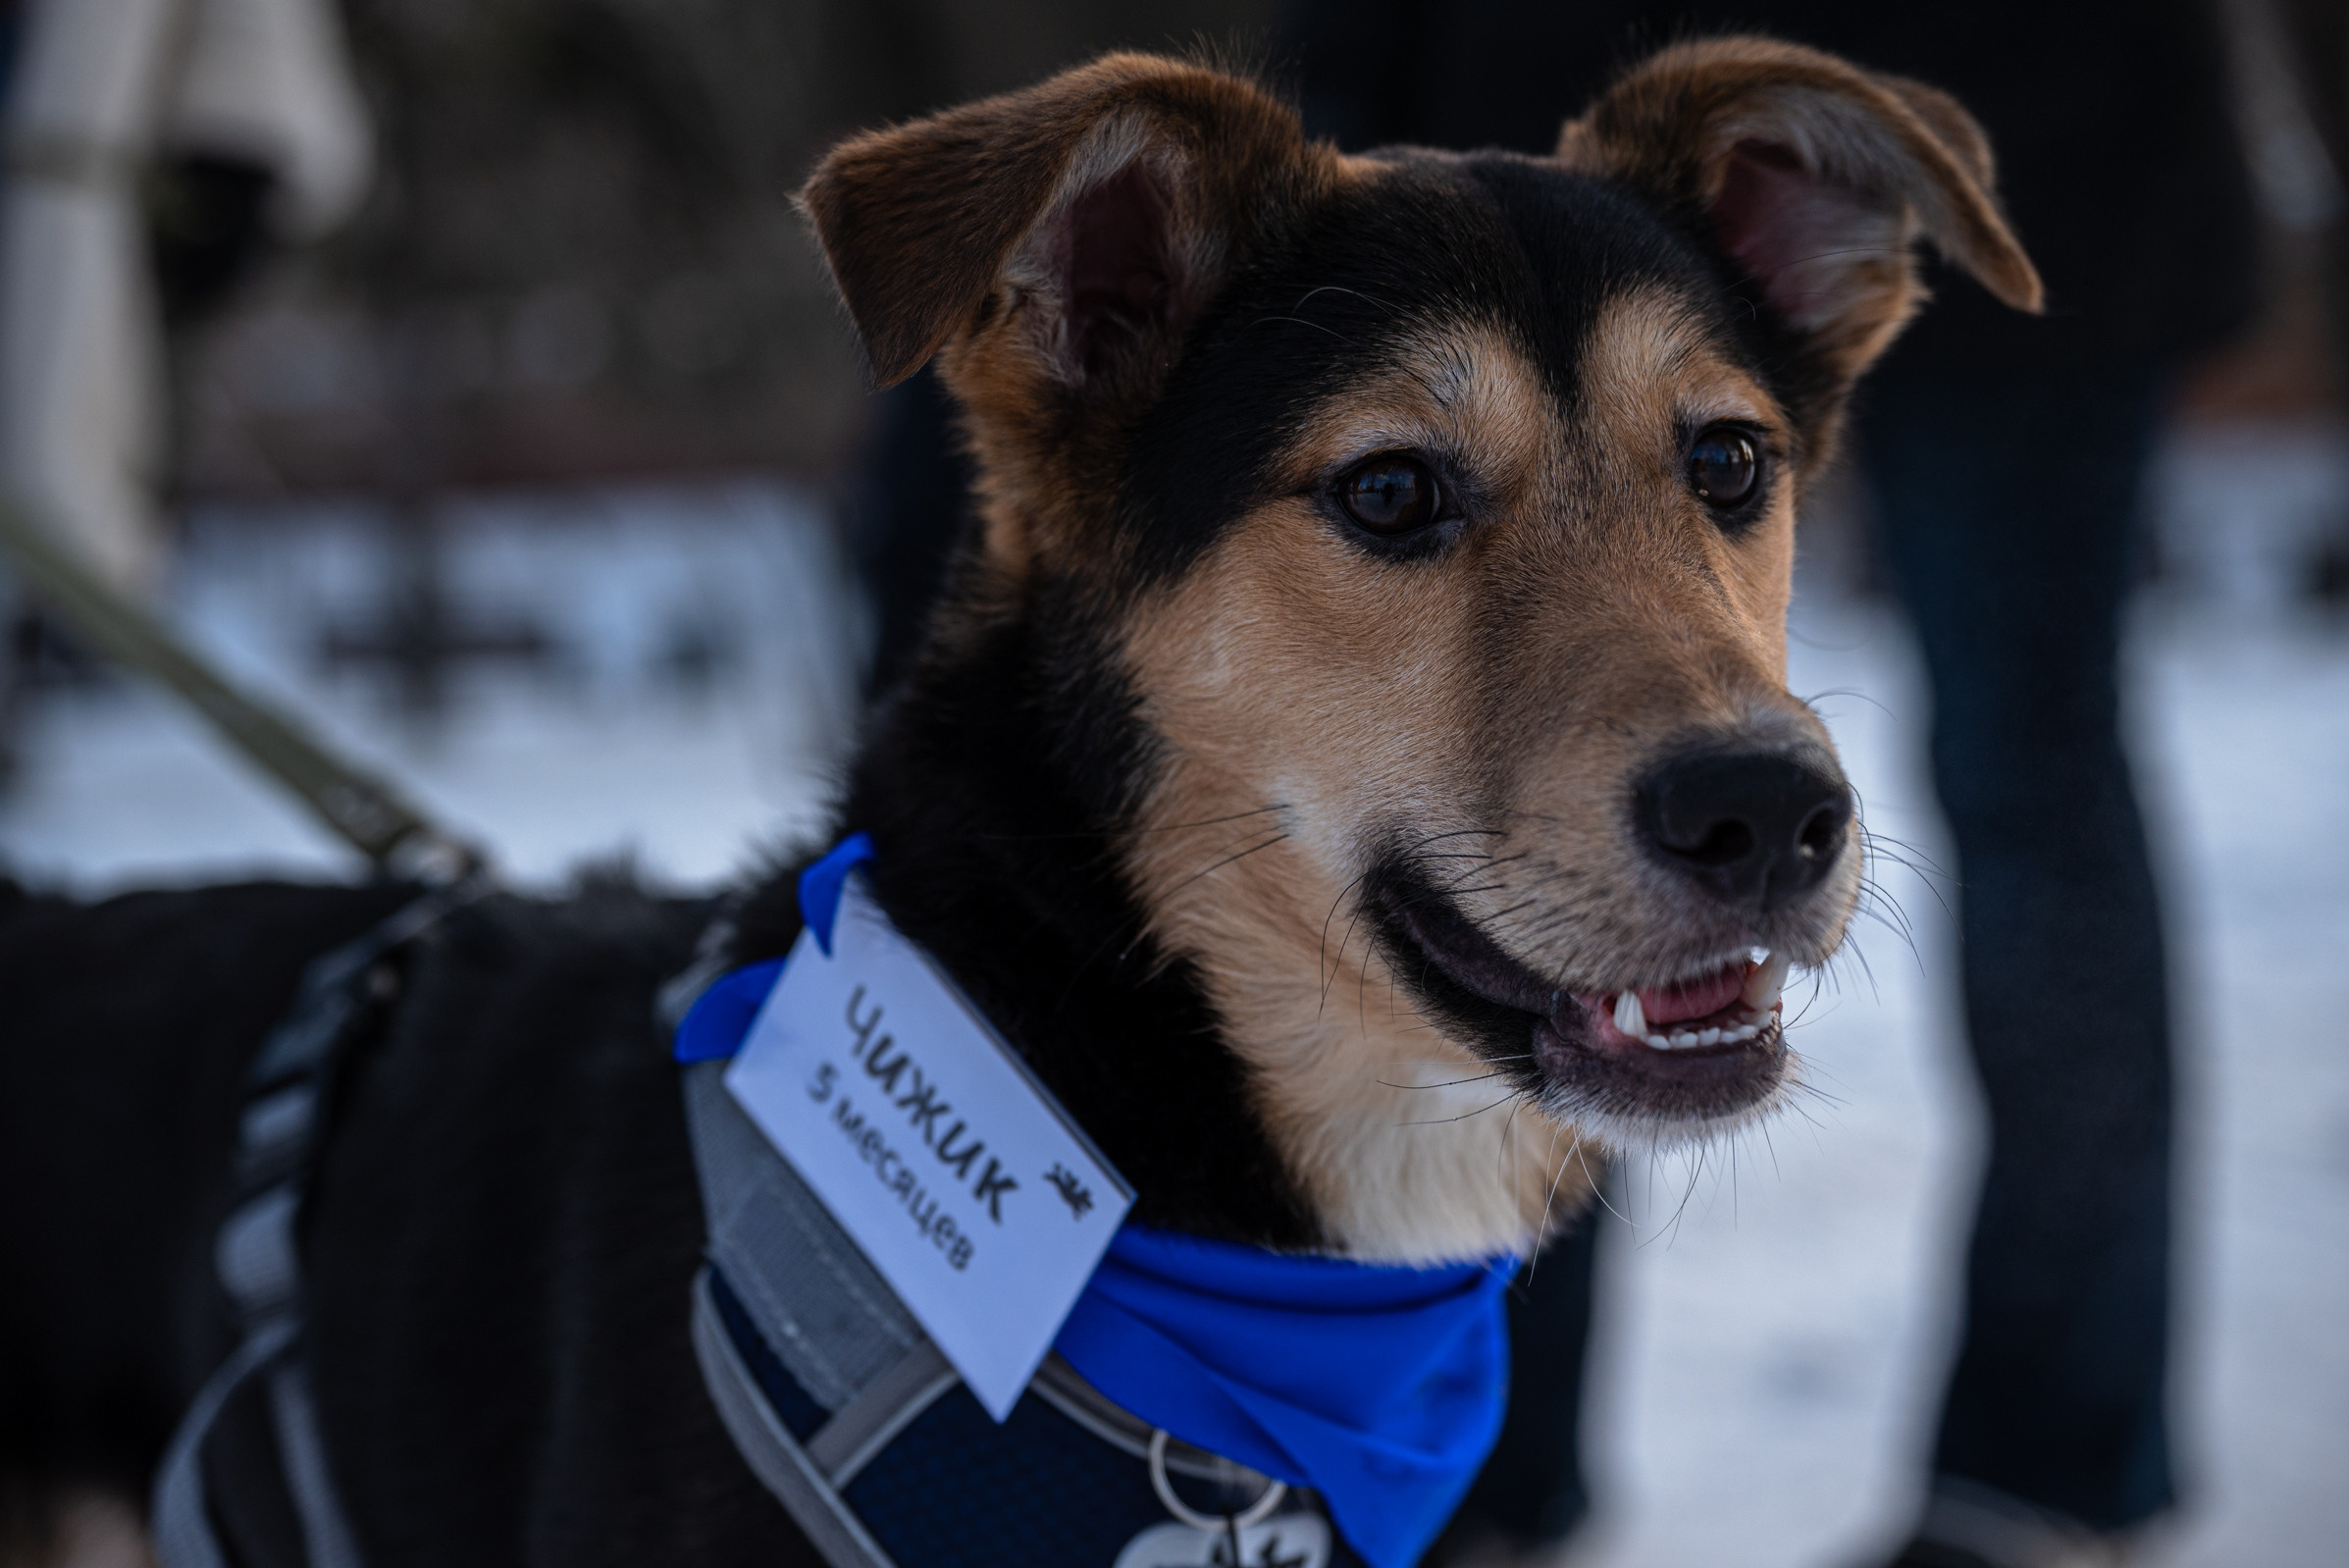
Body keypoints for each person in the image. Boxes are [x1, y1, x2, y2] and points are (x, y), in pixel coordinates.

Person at [1272, 3, 2257, 1565]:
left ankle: (2035, 1472)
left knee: (2027, 776)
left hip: (2034, 120)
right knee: (1551, 822)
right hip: (1571, 121)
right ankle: (1473, 1464)